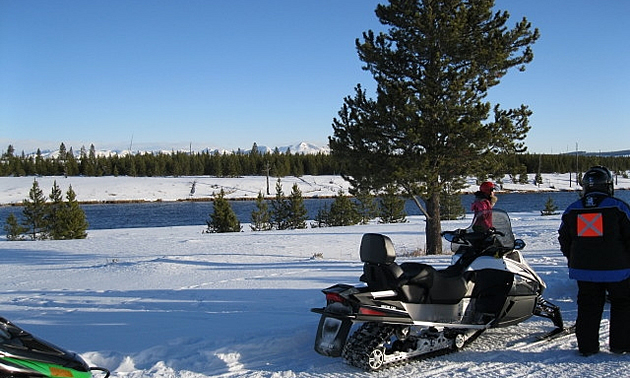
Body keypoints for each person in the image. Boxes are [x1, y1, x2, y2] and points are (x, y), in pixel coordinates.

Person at [558, 165, 630, 356]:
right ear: (608, 185)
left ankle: (587, 348)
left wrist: (573, 259)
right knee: (623, 304)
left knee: (588, 306)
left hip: (584, 270)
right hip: (618, 270)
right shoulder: (618, 207)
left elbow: (564, 238)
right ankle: (621, 345)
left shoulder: (573, 210)